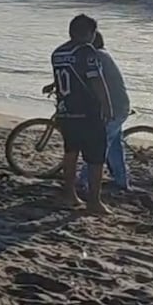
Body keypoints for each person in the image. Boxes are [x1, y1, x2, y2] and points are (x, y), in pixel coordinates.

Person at [50, 14, 113, 214]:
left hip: (66, 110)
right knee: (96, 159)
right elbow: (96, 81)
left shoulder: (58, 53)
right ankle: (94, 201)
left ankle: (69, 194)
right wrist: (107, 105)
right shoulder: (87, 52)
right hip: (87, 112)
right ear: (90, 33)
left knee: (70, 153)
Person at [77, 31, 131, 191]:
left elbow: (87, 79)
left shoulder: (96, 57)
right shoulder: (103, 55)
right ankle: (121, 181)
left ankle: (84, 180)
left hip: (112, 108)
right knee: (114, 146)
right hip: (120, 105)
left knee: (98, 145)